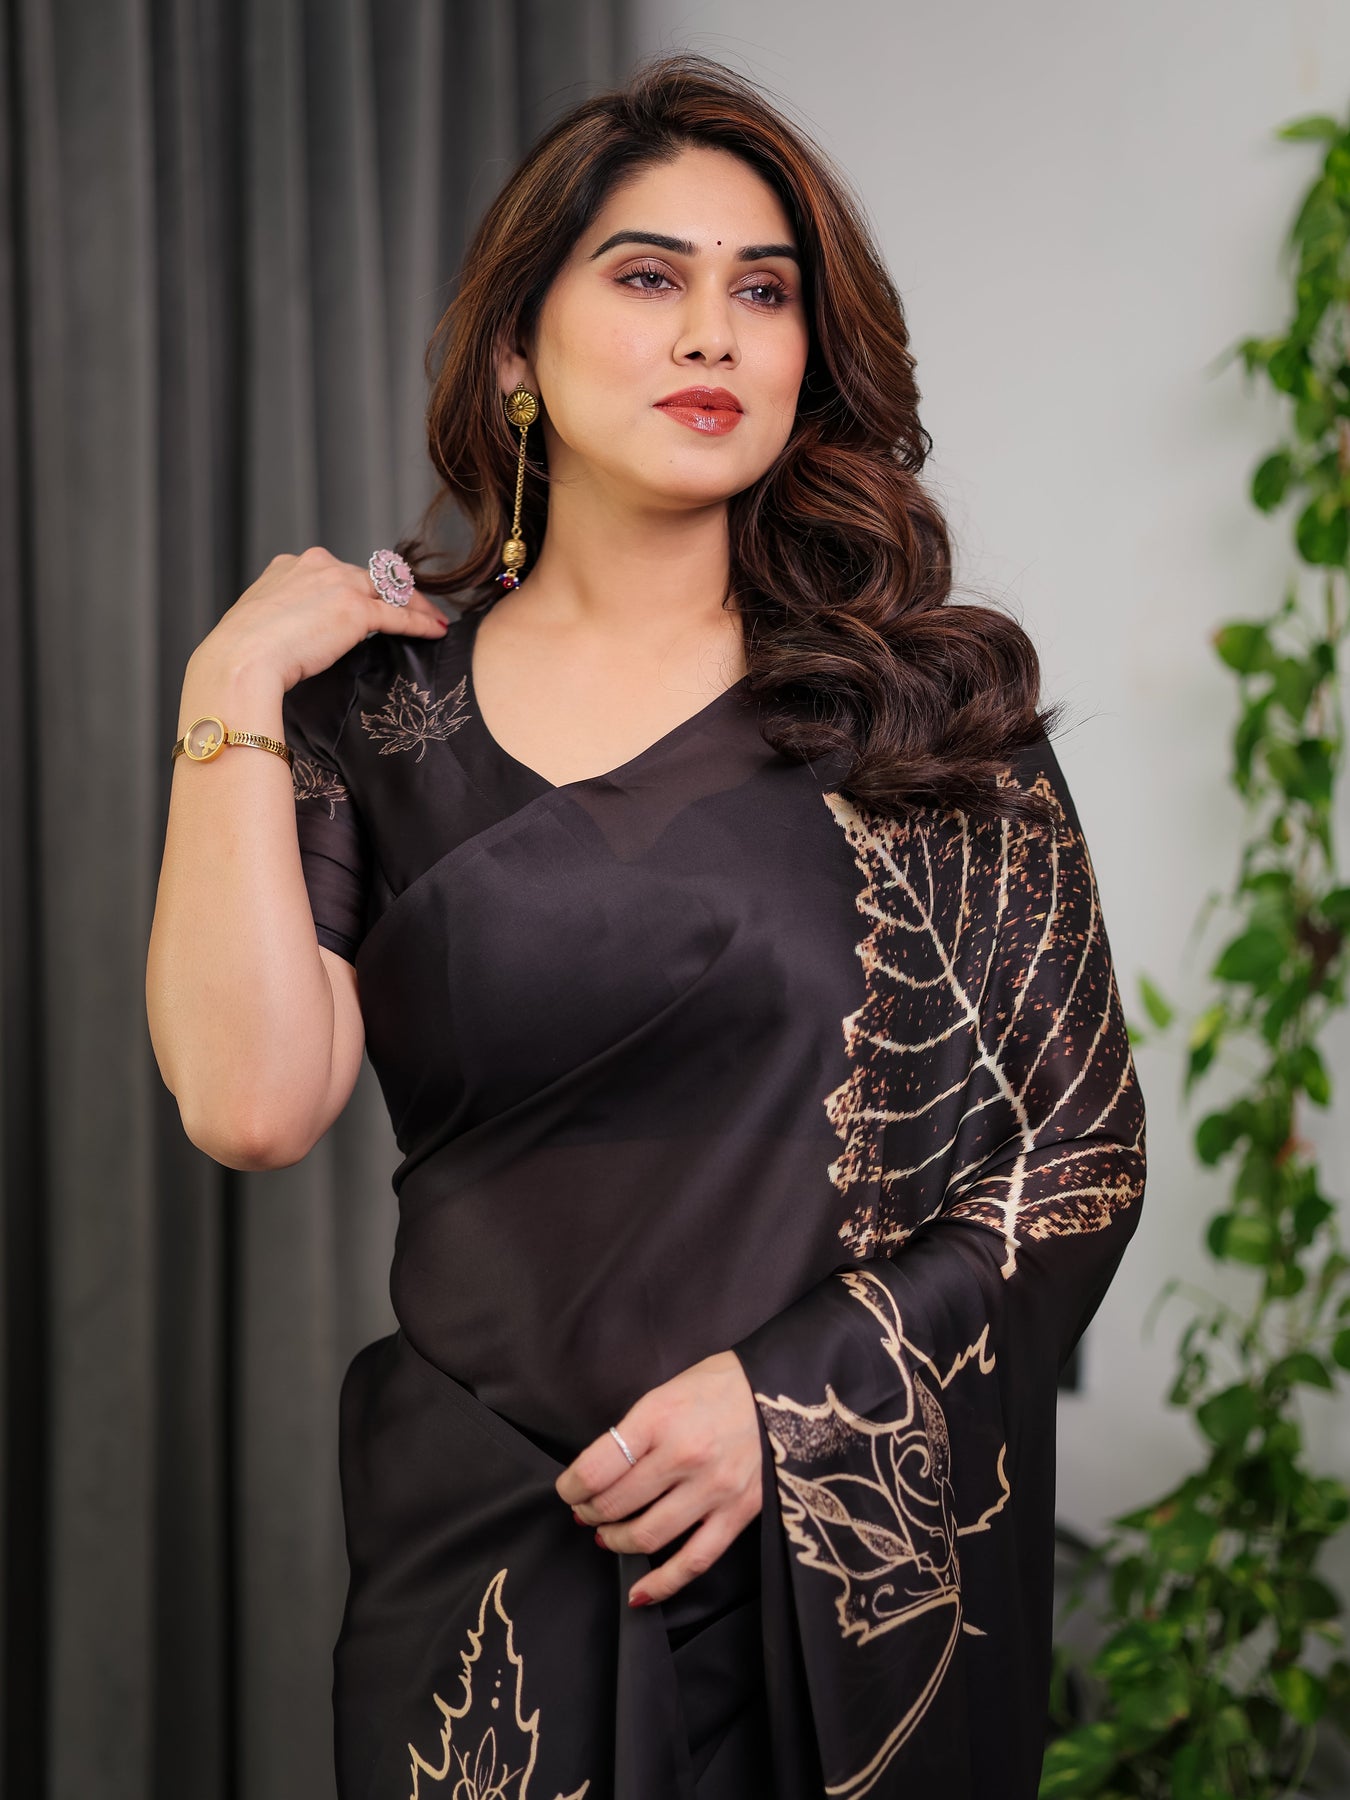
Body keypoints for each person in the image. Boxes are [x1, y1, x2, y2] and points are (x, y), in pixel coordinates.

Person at [145, 51, 1147, 1800]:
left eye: (761, 292)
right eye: (646, 277)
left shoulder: (924, 720)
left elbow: (1079, 1155)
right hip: (491, 1572)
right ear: (514, 353)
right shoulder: (370, 724)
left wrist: (785, 1404)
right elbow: (250, 1105)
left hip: (833, 1581)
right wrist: (227, 682)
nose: (711, 334)